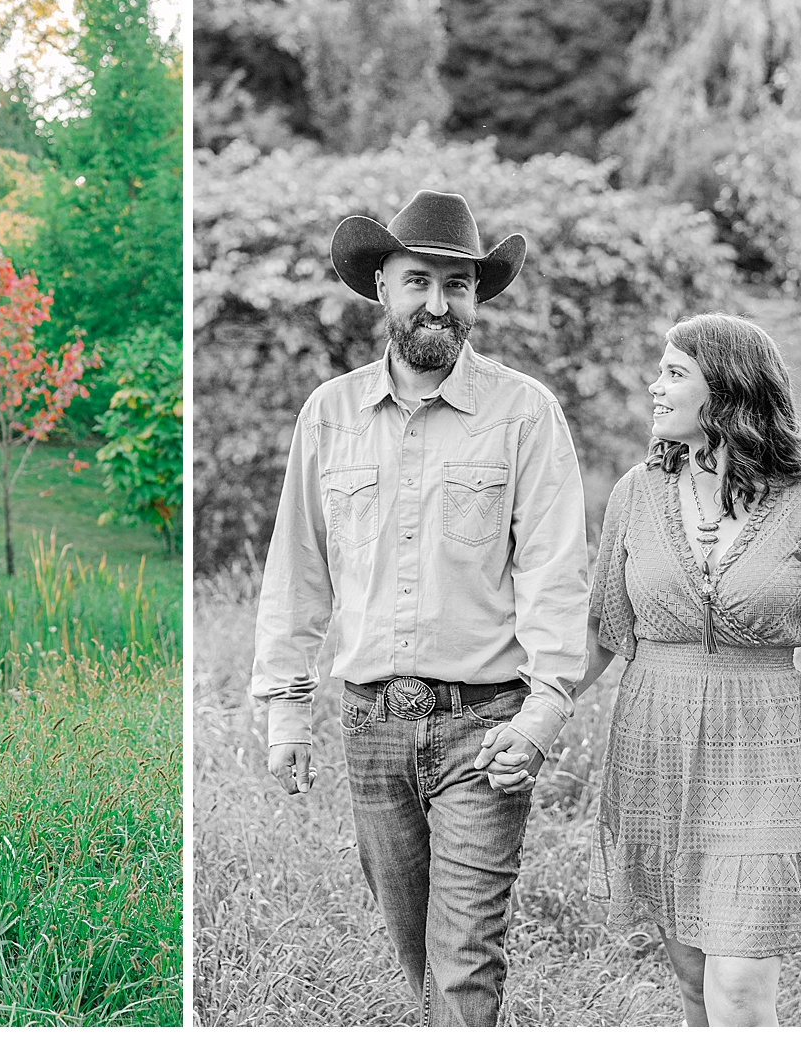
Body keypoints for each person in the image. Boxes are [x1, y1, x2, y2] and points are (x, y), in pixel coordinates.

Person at [495, 313, 801, 1026]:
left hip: (767, 755)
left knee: (742, 987)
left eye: (675, 373)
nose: (655, 387)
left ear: (727, 390)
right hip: (658, 753)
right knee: (693, 984)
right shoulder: (637, 493)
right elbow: (602, 631)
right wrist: (540, 717)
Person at [251, 189, 591, 1025]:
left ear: (477, 296)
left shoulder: (524, 415)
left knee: (465, 964)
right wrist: (287, 711)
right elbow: (297, 569)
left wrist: (544, 713)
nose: (439, 303)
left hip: (488, 728)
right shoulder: (329, 416)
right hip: (370, 725)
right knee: (420, 958)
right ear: (382, 289)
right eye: (419, 282)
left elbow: (556, 572)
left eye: (459, 285)